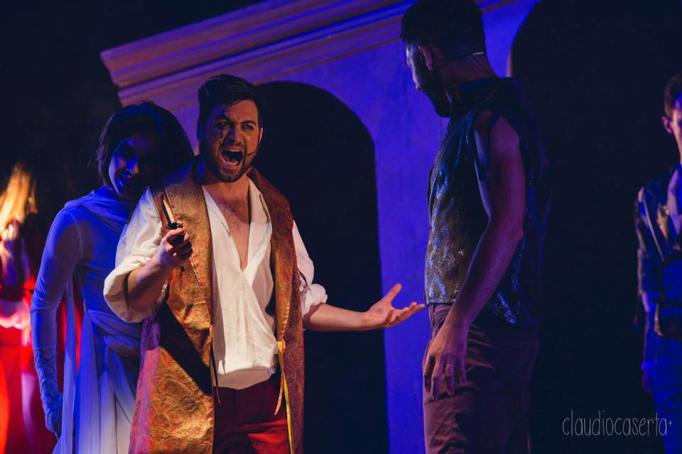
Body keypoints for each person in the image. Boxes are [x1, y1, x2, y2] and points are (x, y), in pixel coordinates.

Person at [103, 74, 423, 454]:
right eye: (223, 124)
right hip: (193, 399)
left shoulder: (276, 208)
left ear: (259, 137)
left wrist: (365, 319)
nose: (234, 136)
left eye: (246, 127)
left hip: (265, 402)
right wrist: (161, 262)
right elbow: (132, 303)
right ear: (201, 130)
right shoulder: (165, 200)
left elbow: (298, 305)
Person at [400, 0, 551, 452]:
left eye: (411, 63)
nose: (415, 81)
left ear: (427, 56)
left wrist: (457, 324)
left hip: (477, 335)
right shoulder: (494, 114)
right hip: (497, 332)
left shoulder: (489, 121)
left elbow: (507, 226)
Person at [30, 102, 194, 454]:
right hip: (108, 379)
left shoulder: (169, 213)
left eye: (148, 160)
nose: (134, 169)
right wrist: (51, 399)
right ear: (110, 151)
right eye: (126, 153)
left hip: (168, 372)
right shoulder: (78, 219)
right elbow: (43, 306)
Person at [635, 71, 682, 453]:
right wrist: (652, 356)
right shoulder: (651, 197)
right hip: (671, 343)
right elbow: (647, 279)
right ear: (669, 125)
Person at [0, 162, 53, 453]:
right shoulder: (23, 234)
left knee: (29, 422)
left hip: (26, 347)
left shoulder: (21, 234)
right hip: (23, 345)